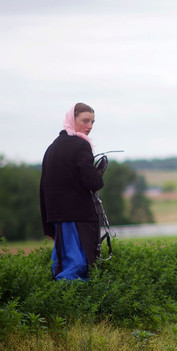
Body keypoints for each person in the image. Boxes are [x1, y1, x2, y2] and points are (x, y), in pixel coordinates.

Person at [40, 103, 105, 280]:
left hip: (57, 215)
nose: (89, 126)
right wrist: (98, 174)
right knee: (77, 265)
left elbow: (43, 186)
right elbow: (92, 182)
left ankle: (58, 300)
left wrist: (47, 220)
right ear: (72, 119)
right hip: (76, 215)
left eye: (92, 122)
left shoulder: (53, 147)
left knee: (61, 262)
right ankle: (74, 304)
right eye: (85, 121)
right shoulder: (80, 145)